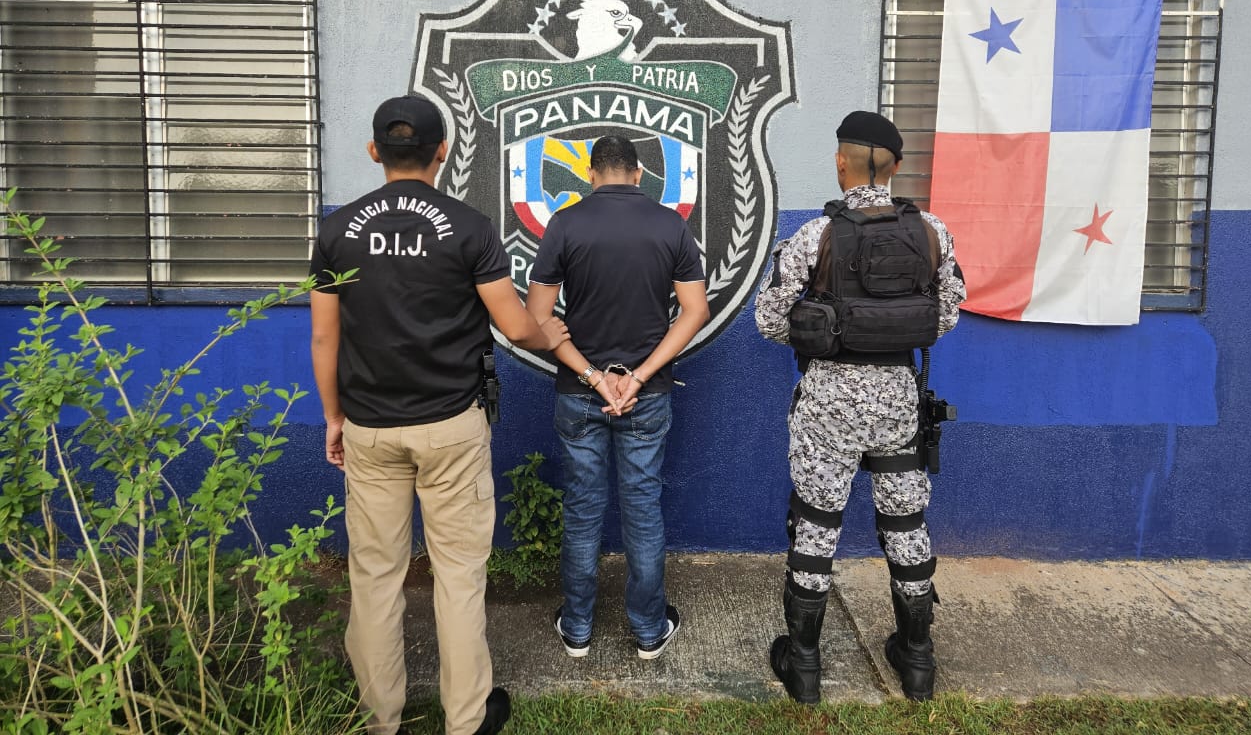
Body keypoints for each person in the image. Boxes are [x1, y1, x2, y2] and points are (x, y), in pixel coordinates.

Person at [309, 95, 568, 735]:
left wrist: (334, 417)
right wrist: (553, 334)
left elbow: (324, 337)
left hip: (370, 428)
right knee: (458, 575)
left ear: (375, 151)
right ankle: (466, 720)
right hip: (451, 427)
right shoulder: (470, 228)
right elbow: (515, 326)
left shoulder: (338, 231)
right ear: (442, 152)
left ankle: (380, 720)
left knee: (374, 577)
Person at [754, 110, 966, 703]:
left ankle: (804, 667)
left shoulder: (815, 235)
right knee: (905, 522)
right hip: (898, 399)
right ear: (895, 167)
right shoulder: (932, 232)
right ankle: (917, 661)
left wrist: (827, 337)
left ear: (840, 164)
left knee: (816, 523)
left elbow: (769, 320)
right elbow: (947, 314)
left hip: (828, 402)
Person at [524, 134, 710, 661]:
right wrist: (639, 376)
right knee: (643, 509)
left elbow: (537, 318)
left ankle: (577, 629)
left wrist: (595, 376)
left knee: (583, 509)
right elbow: (695, 311)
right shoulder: (670, 224)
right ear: (638, 174)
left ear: (590, 175)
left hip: (581, 392)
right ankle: (649, 631)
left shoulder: (564, 224)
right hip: (646, 394)